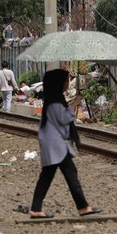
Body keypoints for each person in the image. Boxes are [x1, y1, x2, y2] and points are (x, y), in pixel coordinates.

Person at [29, 69, 101, 219]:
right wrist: (74, 104)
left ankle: (36, 208)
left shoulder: (54, 99)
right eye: (66, 81)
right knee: (70, 173)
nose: (67, 84)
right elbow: (64, 119)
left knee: (48, 176)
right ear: (58, 83)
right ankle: (83, 207)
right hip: (56, 145)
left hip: (54, 144)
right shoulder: (55, 102)